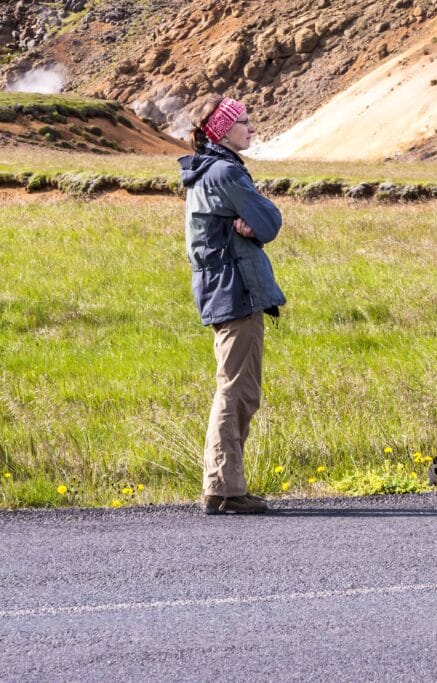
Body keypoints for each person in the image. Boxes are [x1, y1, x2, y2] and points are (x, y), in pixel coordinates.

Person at [179, 97, 286, 515]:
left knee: (238, 387)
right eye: (244, 122)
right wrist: (254, 227)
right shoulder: (224, 172)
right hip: (235, 289)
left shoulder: (211, 168)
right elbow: (271, 221)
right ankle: (223, 489)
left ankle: (226, 486)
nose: (252, 128)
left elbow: (258, 222)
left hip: (226, 287)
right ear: (222, 130)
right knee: (237, 389)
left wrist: (251, 227)